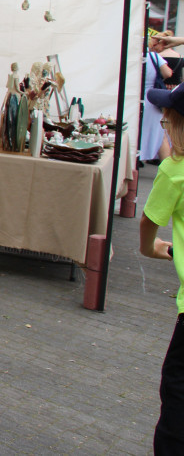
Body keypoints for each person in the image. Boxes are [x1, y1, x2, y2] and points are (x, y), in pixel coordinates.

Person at [138, 83, 184, 454]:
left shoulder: (173, 169)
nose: (163, 117)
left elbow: (148, 226)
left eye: (169, 113)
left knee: (176, 395)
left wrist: (153, 249)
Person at [142, 38, 174, 163]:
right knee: (160, 135)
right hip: (151, 98)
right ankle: (166, 167)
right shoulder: (153, 57)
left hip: (130, 98)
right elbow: (167, 73)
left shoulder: (128, 56)